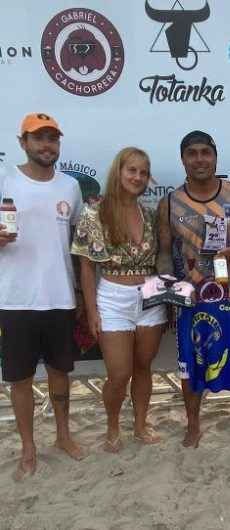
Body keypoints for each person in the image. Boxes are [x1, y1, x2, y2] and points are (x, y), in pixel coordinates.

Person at [156, 131, 230, 447]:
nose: (199, 159)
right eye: (192, 153)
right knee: (191, 367)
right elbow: (163, 252)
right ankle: (193, 426)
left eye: (205, 152)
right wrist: (167, 281)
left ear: (215, 156)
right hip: (191, 300)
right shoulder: (170, 202)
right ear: (183, 159)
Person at [0, 113, 85, 479]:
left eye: (53, 138)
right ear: (22, 143)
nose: (47, 145)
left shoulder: (70, 187)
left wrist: (82, 296)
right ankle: (29, 448)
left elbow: (81, 246)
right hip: (15, 299)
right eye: (39, 138)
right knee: (20, 379)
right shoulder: (4, 180)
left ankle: (63, 436)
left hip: (60, 297)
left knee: (59, 373)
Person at [72, 147, 166, 452]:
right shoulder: (94, 211)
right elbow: (86, 266)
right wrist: (91, 310)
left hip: (151, 294)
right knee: (119, 373)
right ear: (119, 171)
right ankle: (112, 426)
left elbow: (160, 261)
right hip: (113, 297)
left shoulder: (150, 213)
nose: (138, 177)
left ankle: (140, 424)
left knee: (143, 366)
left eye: (143, 172)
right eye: (132, 170)